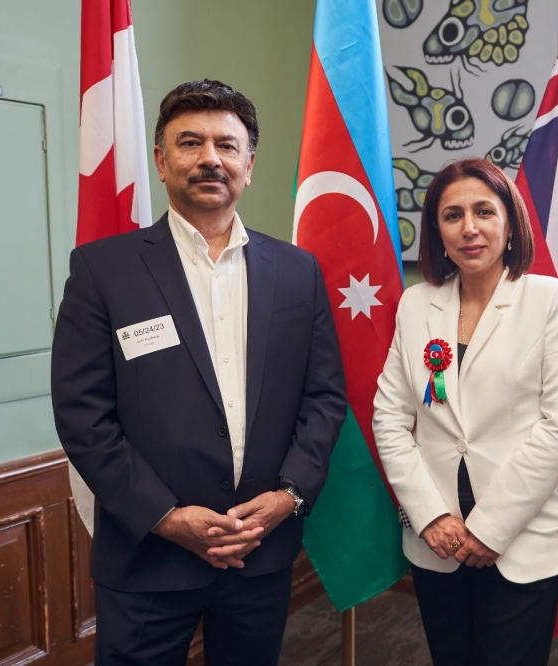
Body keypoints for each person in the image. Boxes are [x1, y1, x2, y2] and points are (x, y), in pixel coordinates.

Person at [51, 79, 346, 665]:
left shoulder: (298, 272)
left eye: (226, 145)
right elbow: (83, 414)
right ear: (161, 162)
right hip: (148, 559)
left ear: (248, 165)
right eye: (190, 143)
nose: (211, 158)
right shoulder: (103, 271)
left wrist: (288, 496)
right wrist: (165, 517)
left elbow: (324, 397)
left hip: (260, 550)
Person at [373, 157, 558, 665]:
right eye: (452, 216)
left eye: (484, 211)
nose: (469, 228)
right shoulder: (415, 304)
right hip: (438, 538)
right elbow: (390, 418)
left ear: (510, 224)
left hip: (521, 535)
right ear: (438, 232)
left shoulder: (549, 300)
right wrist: (429, 516)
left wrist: (491, 528)